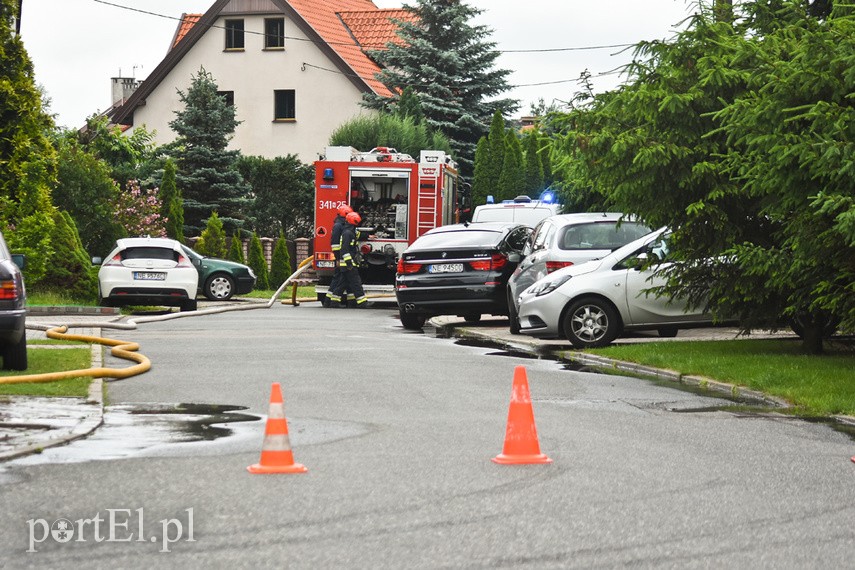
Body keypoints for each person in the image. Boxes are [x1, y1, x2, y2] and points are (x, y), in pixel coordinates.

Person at [328, 211, 367, 308]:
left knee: (343, 283)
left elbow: (357, 234)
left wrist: (368, 235)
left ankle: (334, 301)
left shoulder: (349, 231)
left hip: (346, 263)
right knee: (356, 283)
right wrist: (349, 263)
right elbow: (344, 250)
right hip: (348, 264)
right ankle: (362, 302)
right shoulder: (347, 234)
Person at [325, 204, 352, 308]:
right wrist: (337, 258)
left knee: (341, 277)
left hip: (341, 256)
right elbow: (335, 245)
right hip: (340, 256)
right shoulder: (338, 226)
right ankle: (329, 301)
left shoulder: (341, 224)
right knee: (338, 278)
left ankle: (329, 300)